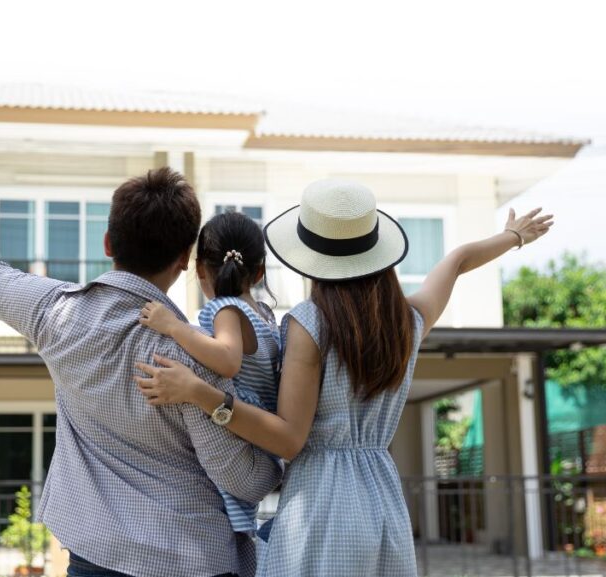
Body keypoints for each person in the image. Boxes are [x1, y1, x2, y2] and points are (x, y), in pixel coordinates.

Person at [0, 164, 283, 577]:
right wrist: (276, 462)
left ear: (107, 243)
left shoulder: (53, 312)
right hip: (190, 558)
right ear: (184, 260)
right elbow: (245, 481)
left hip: (93, 556)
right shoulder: (191, 360)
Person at [135, 179, 553, 576]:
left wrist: (201, 394)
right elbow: (456, 261)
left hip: (319, 509)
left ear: (311, 258)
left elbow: (288, 438)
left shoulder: (308, 324)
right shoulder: (406, 320)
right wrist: (513, 236)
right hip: (384, 501)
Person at [139, 211, 281, 537]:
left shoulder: (225, 309)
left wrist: (173, 326)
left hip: (241, 432)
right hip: (262, 437)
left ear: (200, 269)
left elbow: (228, 361)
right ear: (259, 272)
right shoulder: (265, 314)